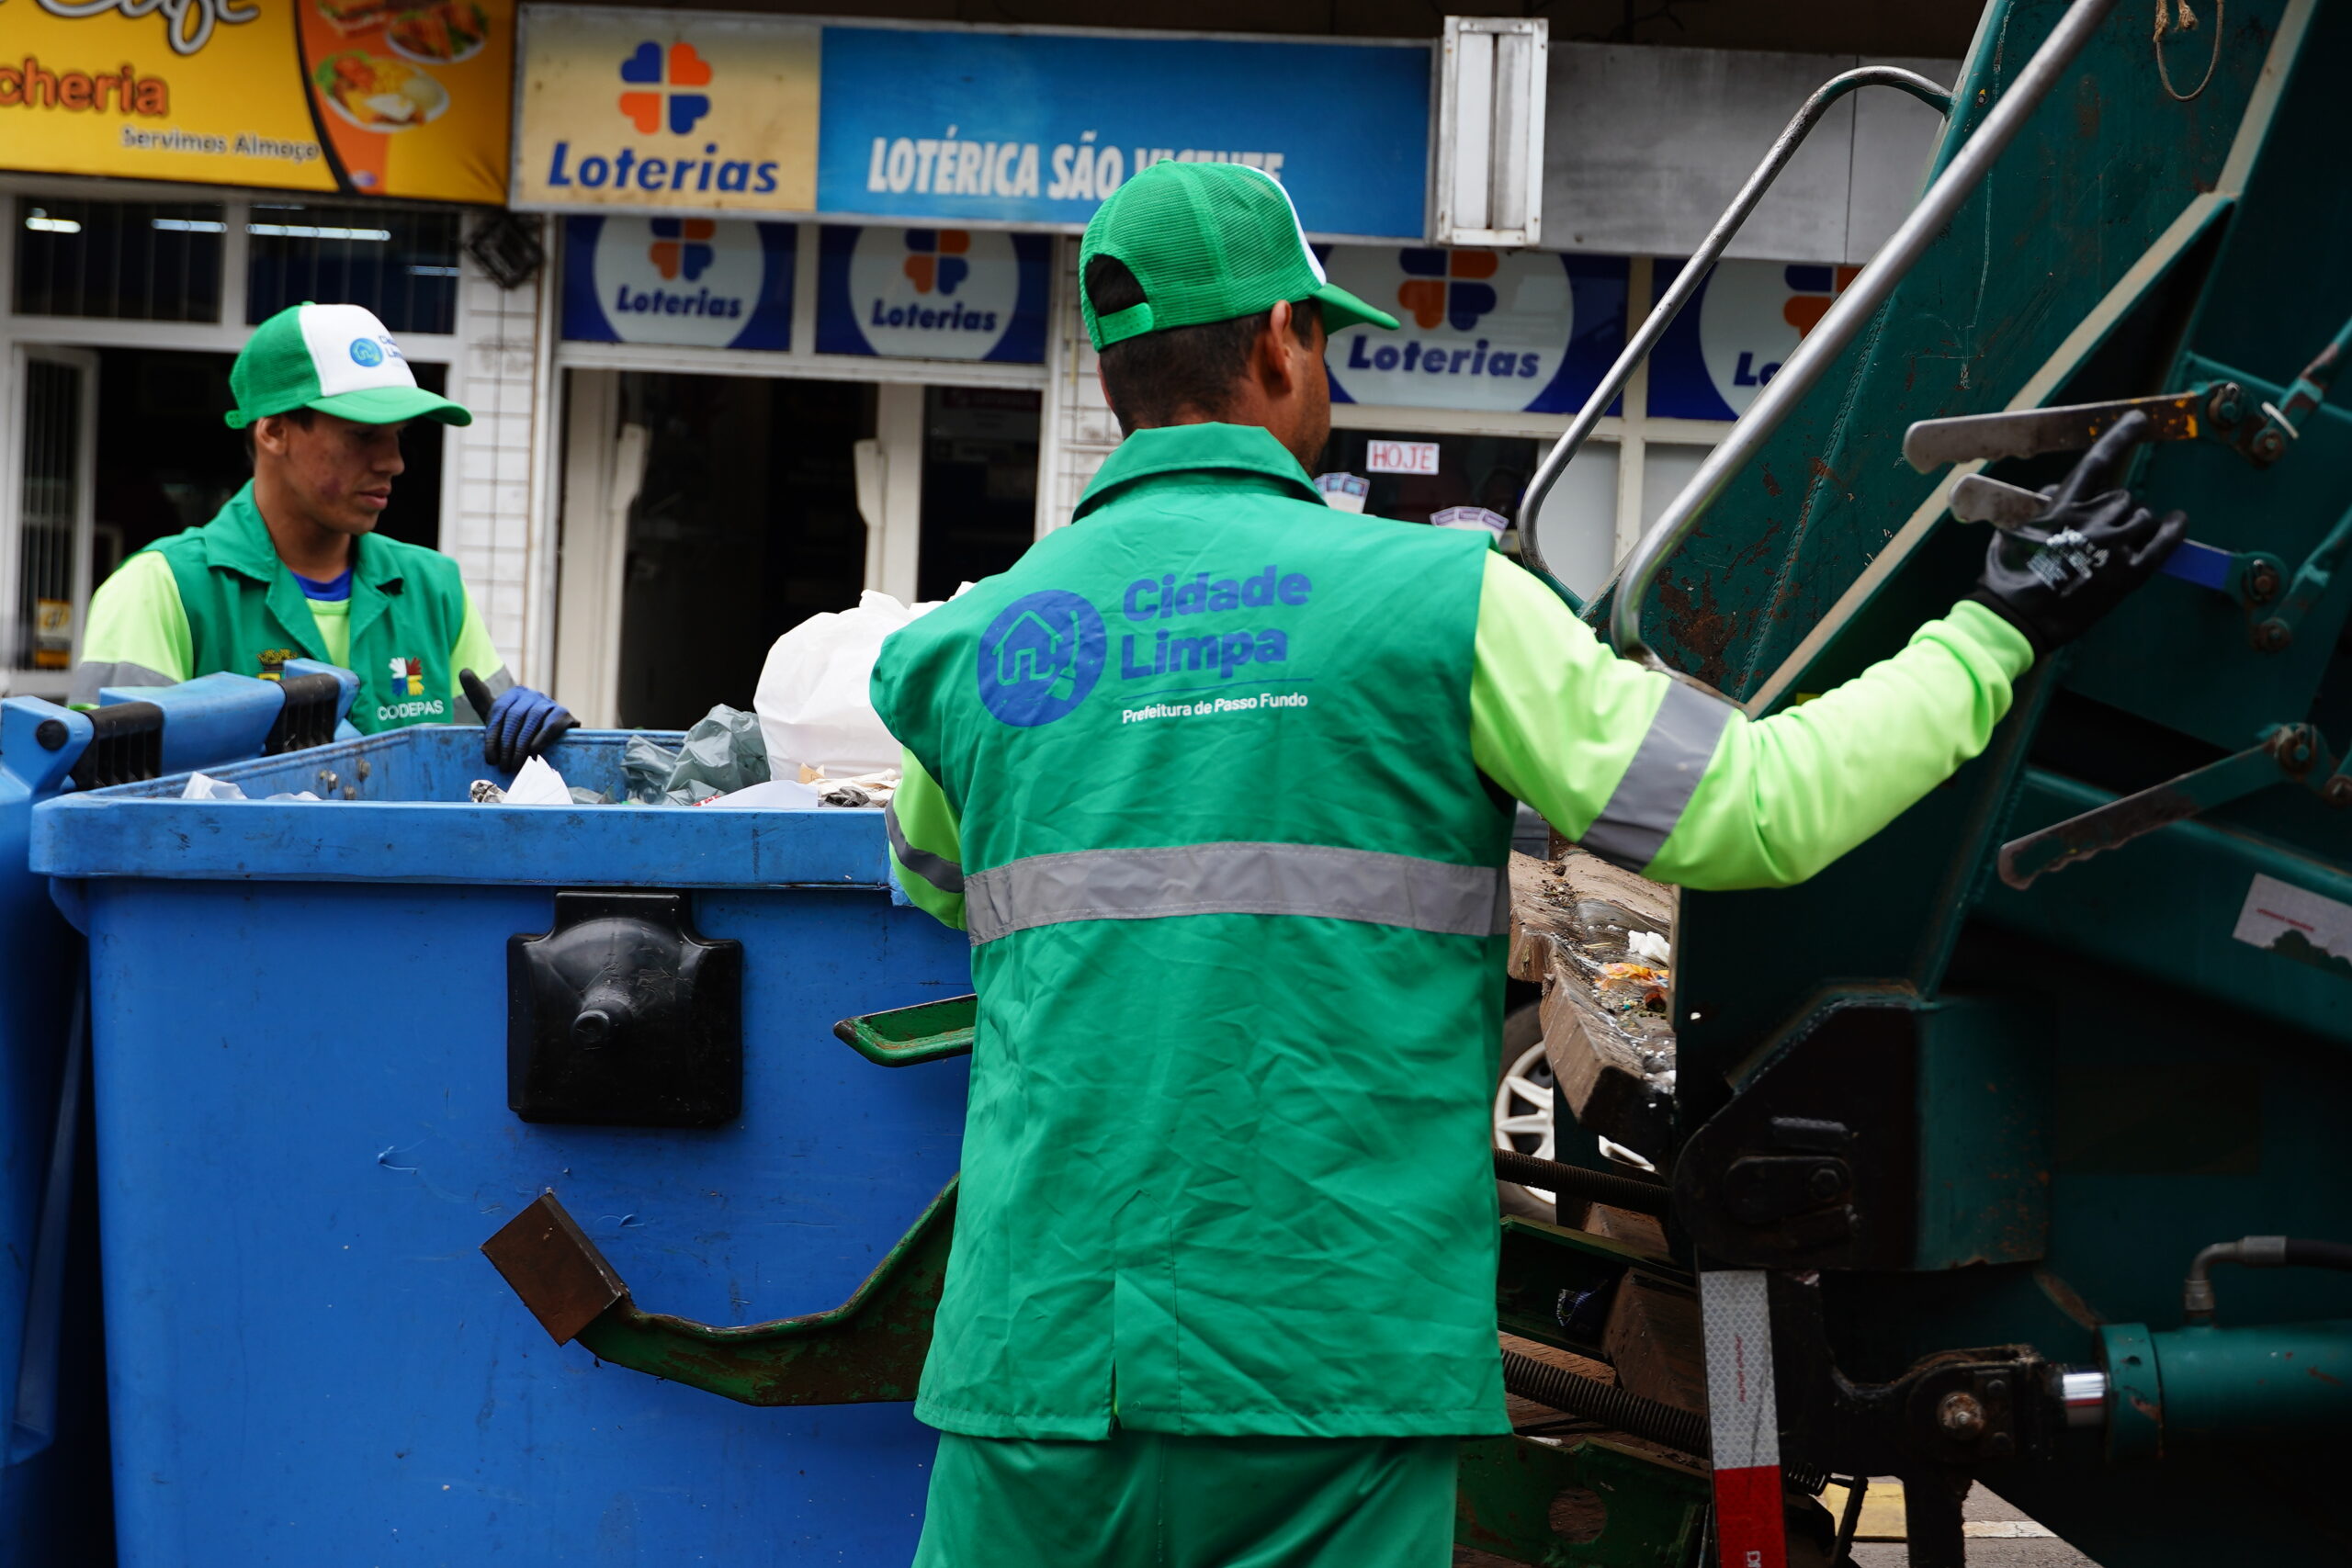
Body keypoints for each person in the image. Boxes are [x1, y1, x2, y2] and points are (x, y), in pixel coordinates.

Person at [871, 161, 2180, 1567]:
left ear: (1116, 374)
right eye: (1322, 339)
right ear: (1276, 343)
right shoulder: (1444, 605)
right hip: (1327, 1364)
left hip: (1038, 1362)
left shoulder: (973, 649)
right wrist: (1996, 633)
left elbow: (944, 882)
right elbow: (1756, 807)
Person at [73, 302, 573, 770]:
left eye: (398, 436)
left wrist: (535, 746)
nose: (393, 462)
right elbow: (113, 793)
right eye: (363, 435)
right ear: (273, 432)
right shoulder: (162, 589)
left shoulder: (433, 588)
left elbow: (487, 771)